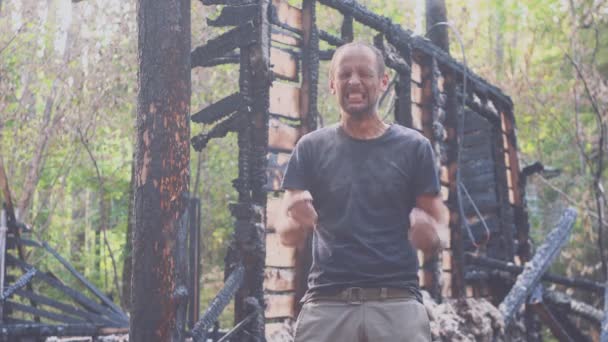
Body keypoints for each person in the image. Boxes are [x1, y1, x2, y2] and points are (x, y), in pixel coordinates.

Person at [276, 41, 449, 342]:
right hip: (327, 305)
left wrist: (430, 235)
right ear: (332, 84)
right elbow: (285, 234)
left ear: (382, 82)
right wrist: (297, 220)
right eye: (344, 74)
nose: (353, 81)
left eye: (364, 74)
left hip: (396, 304)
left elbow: (439, 233)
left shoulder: (414, 147)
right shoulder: (311, 148)